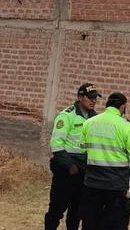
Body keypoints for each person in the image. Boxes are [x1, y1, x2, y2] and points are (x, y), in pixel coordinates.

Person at [80, 92, 130, 230]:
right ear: (123, 107)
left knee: (90, 221)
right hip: (116, 183)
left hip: (92, 181)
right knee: (114, 222)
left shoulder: (89, 123)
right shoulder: (126, 126)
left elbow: (83, 147)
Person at [44, 82, 101, 230]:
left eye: (95, 98)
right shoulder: (67, 116)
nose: (93, 101)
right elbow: (56, 145)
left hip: (85, 169)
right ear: (80, 97)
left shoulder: (95, 118)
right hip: (67, 168)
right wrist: (69, 165)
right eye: (90, 97)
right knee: (57, 208)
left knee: (77, 211)